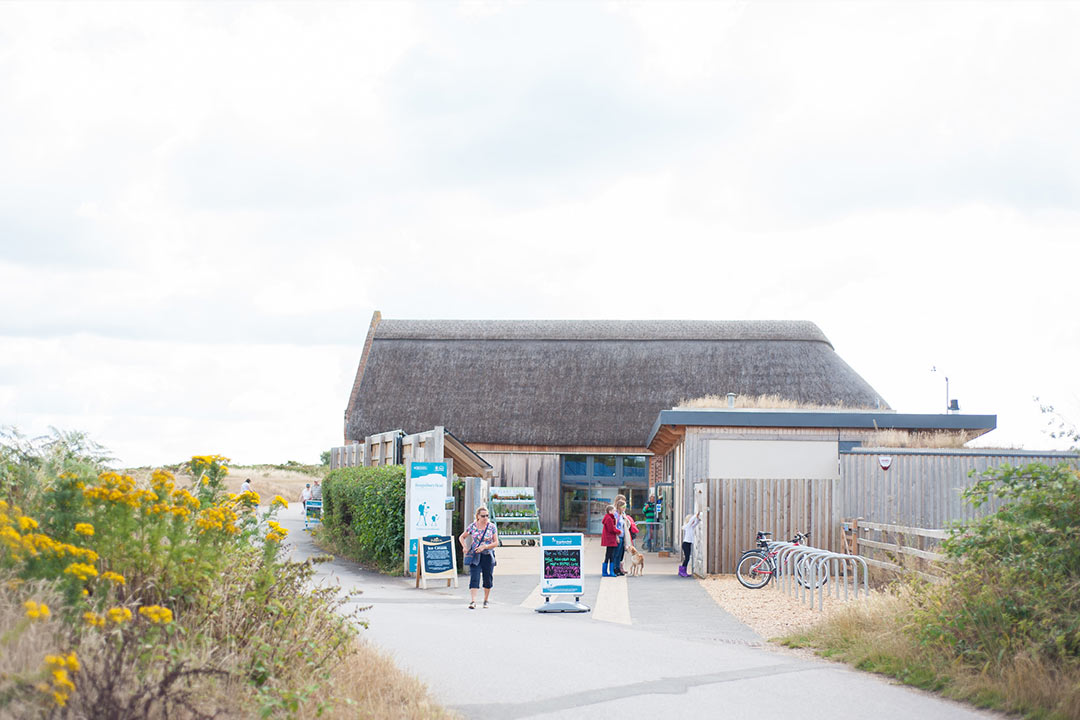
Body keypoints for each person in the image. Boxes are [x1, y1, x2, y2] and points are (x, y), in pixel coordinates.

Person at [459, 506, 498, 609]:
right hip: (475, 554)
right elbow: (462, 537)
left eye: (487, 516)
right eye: (483, 516)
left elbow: (496, 542)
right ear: (478, 516)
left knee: (487, 578)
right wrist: (464, 547)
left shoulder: (491, 527)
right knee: (474, 577)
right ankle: (473, 601)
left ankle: (485, 600)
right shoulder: (473, 526)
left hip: (488, 555)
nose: (485, 518)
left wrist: (485, 546)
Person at [600, 504, 621, 577]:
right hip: (610, 539)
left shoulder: (610, 518)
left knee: (609, 554)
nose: (615, 512)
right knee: (609, 554)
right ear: (610, 511)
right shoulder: (609, 518)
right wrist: (619, 531)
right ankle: (608, 571)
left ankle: (607, 571)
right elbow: (611, 529)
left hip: (609, 539)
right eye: (614, 510)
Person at [680, 511, 701, 577]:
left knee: (687, 558)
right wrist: (695, 515)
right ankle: (682, 571)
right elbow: (691, 521)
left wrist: (697, 518)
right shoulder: (688, 526)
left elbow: (696, 523)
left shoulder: (691, 527)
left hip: (688, 544)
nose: (693, 521)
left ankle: (682, 570)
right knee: (687, 558)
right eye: (692, 520)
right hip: (686, 544)